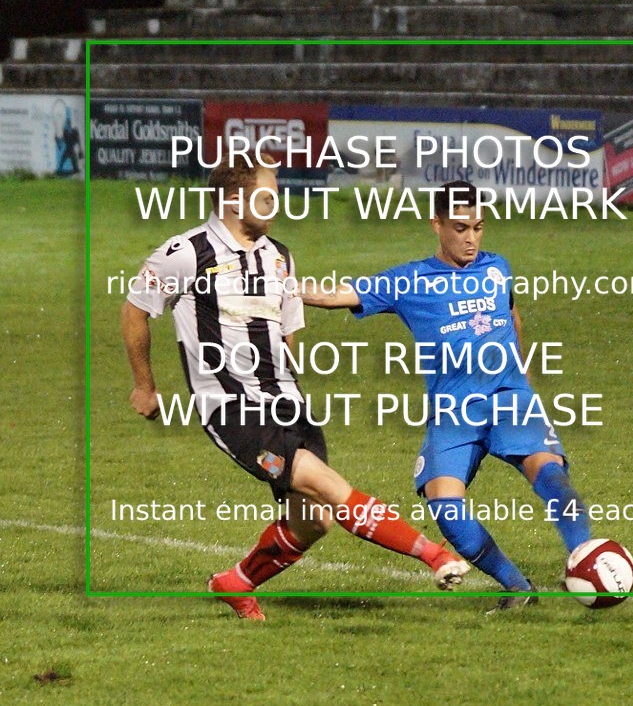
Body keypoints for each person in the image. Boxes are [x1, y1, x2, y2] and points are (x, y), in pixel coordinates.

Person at [120, 153, 469, 621]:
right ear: (233, 200)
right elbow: (135, 310)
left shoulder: (279, 256)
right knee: (328, 486)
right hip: (232, 408)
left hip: (287, 403)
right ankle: (435, 555)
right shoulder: (186, 253)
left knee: (315, 521)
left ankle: (235, 582)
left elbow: (287, 332)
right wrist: (144, 385)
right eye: (267, 197)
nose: (277, 206)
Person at [301, 181, 592, 609]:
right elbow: (334, 295)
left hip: (508, 397)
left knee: (550, 474)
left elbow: (511, 315)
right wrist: (286, 287)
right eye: (460, 228)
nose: (471, 238)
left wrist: (524, 377)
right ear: (436, 224)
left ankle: (585, 560)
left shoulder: (497, 268)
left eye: (478, 227)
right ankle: (517, 589)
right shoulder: (410, 280)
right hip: (453, 411)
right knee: (446, 508)